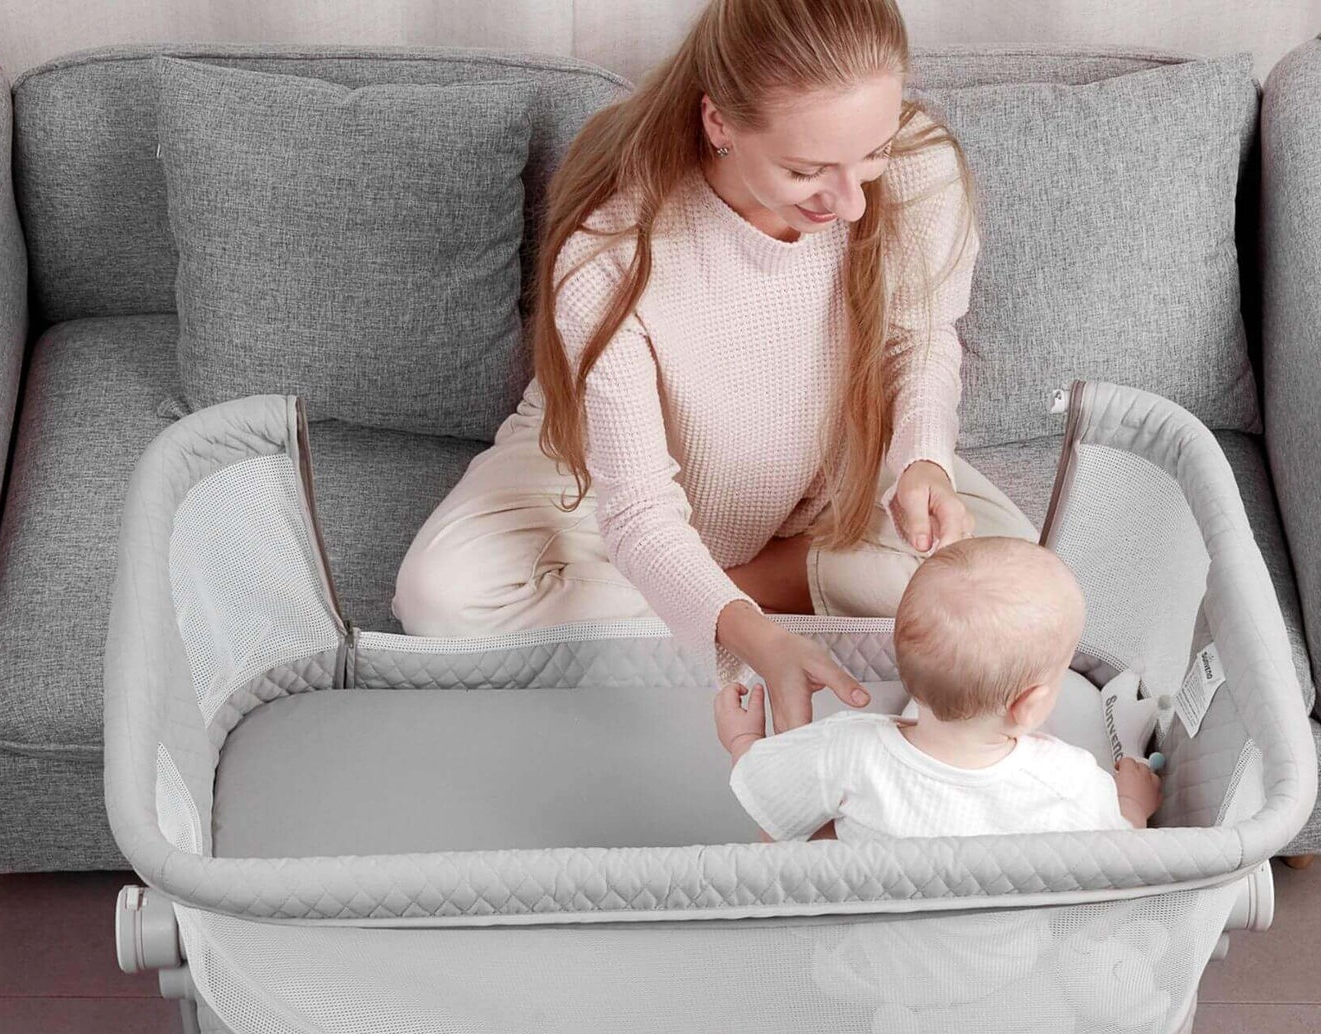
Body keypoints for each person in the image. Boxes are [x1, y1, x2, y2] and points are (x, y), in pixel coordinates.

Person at [393, 0, 1037, 731]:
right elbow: (637, 507)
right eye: (805, 170)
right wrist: (756, 639)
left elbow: (918, 339)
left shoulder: (920, 167)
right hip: (605, 465)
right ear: (719, 125)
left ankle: (726, 589)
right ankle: (725, 597)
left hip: (830, 455)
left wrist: (922, 459)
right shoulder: (616, 244)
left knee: (1015, 588)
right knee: (441, 597)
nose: (853, 203)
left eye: (873, 154)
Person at [715, 537, 1163, 841]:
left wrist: (744, 741)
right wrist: (1133, 806)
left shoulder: (846, 749)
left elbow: (767, 791)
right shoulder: (1068, 781)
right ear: (1030, 705)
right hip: (1007, 974)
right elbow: (1117, 862)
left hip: (865, 975)